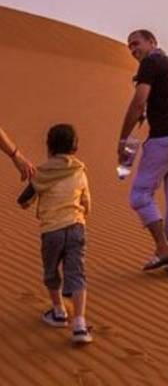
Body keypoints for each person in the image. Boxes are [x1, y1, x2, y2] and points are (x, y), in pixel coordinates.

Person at [118, 29, 168, 277]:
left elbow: (139, 99)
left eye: (136, 43)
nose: (133, 50)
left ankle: (163, 248)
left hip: (166, 136)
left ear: (152, 42)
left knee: (140, 194)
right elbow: (161, 102)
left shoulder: (151, 61)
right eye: (129, 47)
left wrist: (123, 139)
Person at [18, 124, 93, 344]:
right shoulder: (80, 170)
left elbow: (24, 200)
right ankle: (79, 323)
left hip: (51, 231)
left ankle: (59, 311)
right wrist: (81, 215)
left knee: (51, 272)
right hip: (77, 228)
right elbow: (87, 202)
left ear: (49, 147)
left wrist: (28, 201)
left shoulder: (43, 172)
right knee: (76, 273)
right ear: (75, 147)